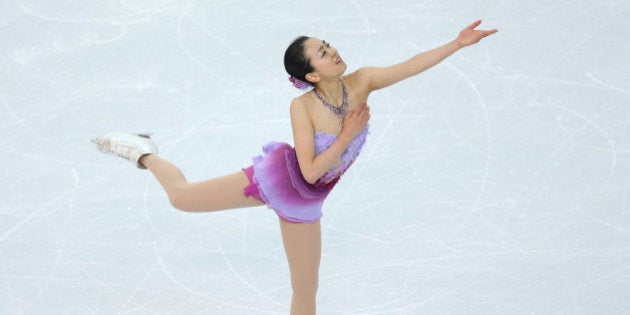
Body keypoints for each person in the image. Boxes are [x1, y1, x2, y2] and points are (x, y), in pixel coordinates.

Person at [92, 20, 497, 315]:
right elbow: (307, 173)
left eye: (328, 44)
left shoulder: (364, 81)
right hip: (286, 181)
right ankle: (143, 151)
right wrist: (345, 135)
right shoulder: (301, 107)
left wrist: (457, 44)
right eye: (322, 52)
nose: (332, 50)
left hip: (308, 200)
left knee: (305, 287)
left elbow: (410, 65)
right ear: (311, 74)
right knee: (181, 198)